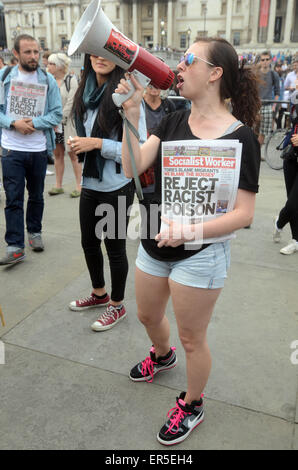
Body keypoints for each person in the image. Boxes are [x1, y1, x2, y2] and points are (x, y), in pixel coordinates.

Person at [116, 37, 261, 445]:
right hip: (154, 242)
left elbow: (244, 214)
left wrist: (189, 230)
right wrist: (130, 113)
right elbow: (132, 166)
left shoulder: (241, 137)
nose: (178, 66)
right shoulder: (171, 121)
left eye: (188, 59)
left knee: (192, 338)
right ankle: (162, 357)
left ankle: (192, 404)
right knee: (147, 316)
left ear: (214, 73)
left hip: (202, 253)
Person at [68, 53, 147, 331]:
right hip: (90, 184)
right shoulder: (84, 91)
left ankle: (117, 305)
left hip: (116, 187)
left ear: (118, 58)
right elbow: (85, 137)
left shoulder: (126, 93)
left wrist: (97, 144)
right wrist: (79, 145)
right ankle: (99, 294)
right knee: (88, 242)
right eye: (95, 51)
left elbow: (141, 147)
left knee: (114, 249)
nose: (101, 57)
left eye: (108, 52)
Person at [0, 34, 62, 265]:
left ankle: (34, 233)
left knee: (36, 196)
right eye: (28, 52)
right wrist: (13, 123)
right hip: (11, 149)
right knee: (13, 198)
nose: (34, 56)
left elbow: (56, 113)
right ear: (15, 54)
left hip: (38, 149)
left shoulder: (48, 80)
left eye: (36, 52)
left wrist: (34, 124)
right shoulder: (4, 78)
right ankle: (15, 246)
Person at [47, 53, 81, 198]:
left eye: (51, 64)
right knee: (57, 154)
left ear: (59, 66)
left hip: (67, 123)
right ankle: (58, 185)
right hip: (54, 125)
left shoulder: (71, 80)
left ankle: (79, 186)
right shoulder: (49, 81)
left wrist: (58, 118)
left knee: (73, 154)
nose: (48, 66)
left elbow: (72, 102)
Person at [273, 89, 298, 255]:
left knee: (293, 204)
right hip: (292, 159)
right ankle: (293, 237)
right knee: (293, 204)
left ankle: (281, 224)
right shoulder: (295, 97)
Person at [141, 83, 176, 193]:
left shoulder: (168, 105)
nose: (154, 86)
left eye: (157, 83)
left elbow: (173, 131)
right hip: (144, 158)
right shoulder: (138, 104)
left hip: (163, 158)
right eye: (150, 83)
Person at [257, 51, 280, 159]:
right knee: (252, 131)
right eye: (263, 60)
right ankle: (253, 152)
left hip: (267, 105)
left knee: (263, 132)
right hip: (255, 105)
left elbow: (277, 92)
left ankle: (257, 153)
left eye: (267, 59)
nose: (265, 62)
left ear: (270, 60)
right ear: (260, 61)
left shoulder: (273, 74)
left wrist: (274, 106)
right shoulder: (255, 73)